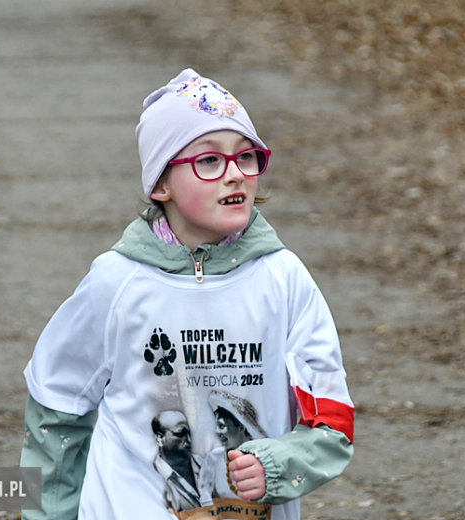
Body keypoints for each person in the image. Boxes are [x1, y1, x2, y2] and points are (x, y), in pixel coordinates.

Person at [20, 68, 355, 520]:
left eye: (246, 157)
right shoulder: (116, 283)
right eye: (209, 161)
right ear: (161, 184)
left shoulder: (285, 280)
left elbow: (332, 422)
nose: (235, 174)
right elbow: (57, 408)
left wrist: (278, 465)